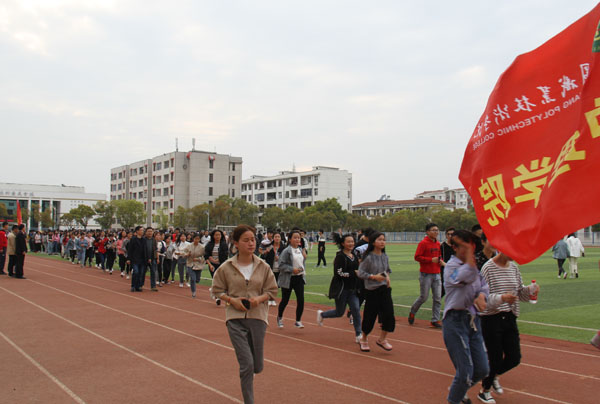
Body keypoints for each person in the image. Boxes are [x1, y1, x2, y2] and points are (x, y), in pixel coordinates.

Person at [211, 225, 278, 404]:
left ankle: (254, 368)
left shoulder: (263, 266)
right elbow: (216, 290)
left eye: (253, 240)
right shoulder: (226, 267)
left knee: (257, 366)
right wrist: (231, 300)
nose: (251, 243)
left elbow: (272, 291)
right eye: (246, 240)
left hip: (258, 318)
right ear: (236, 243)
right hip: (235, 320)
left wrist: (258, 299)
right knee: (246, 365)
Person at [477, 252, 539, 404]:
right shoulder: (488, 268)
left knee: (514, 358)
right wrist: (502, 298)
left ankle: (493, 376)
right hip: (492, 318)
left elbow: (519, 293)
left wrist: (530, 290)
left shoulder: (513, 268)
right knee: (495, 357)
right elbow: (481, 297)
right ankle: (485, 391)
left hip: (510, 317)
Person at [442, 230, 490, 404]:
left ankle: (459, 390)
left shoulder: (474, 267)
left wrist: (482, 295)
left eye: (471, 246)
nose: (469, 250)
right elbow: (464, 277)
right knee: (465, 373)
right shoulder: (451, 267)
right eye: (464, 247)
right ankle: (455, 398)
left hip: (473, 321)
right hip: (455, 321)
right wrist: (470, 258)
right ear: (455, 248)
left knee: (483, 369)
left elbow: (483, 285)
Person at [317, 233, 362, 343]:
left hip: (353, 290)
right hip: (342, 290)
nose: (351, 243)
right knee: (339, 312)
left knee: (356, 310)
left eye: (352, 241)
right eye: (348, 242)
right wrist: (354, 273)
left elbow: (358, 270)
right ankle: (322, 314)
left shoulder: (354, 256)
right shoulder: (340, 257)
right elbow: (339, 273)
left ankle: (358, 334)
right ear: (343, 243)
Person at [356, 232, 394, 352]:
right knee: (370, 316)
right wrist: (373, 277)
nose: (382, 242)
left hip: (384, 289)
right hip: (372, 291)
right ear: (373, 242)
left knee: (389, 315)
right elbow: (361, 273)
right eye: (379, 239)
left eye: (384, 240)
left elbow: (387, 270)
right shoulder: (368, 257)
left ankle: (382, 339)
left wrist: (387, 277)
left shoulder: (385, 256)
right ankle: (364, 339)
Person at [409, 223, 443, 328]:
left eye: (437, 230)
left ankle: (435, 320)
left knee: (437, 298)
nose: (436, 232)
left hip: (437, 274)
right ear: (427, 232)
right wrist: (430, 260)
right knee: (423, 297)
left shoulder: (438, 244)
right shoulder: (423, 243)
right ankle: (413, 311)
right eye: (433, 230)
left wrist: (440, 261)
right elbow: (417, 257)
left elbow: (439, 256)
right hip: (425, 274)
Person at [276, 230, 307, 329]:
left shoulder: (300, 249)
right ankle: (279, 317)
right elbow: (281, 265)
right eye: (295, 237)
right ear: (290, 239)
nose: (297, 239)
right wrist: (292, 269)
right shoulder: (286, 251)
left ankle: (298, 320)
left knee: (301, 300)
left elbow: (301, 262)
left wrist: (302, 270)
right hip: (288, 279)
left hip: (299, 278)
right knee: (285, 300)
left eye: (299, 238)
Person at [205, 229, 229, 304]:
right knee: (215, 280)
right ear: (213, 236)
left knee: (221, 281)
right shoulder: (209, 245)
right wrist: (210, 262)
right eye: (216, 235)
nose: (218, 236)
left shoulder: (224, 245)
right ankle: (217, 296)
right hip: (212, 265)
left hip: (221, 265)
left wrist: (219, 259)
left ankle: (217, 294)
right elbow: (206, 255)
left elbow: (225, 255)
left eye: (219, 235)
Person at [262, 232, 286, 306]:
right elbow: (263, 256)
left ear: (280, 238)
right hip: (270, 268)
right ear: (273, 238)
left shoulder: (283, 248)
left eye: (278, 237)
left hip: (280, 269)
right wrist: (266, 252)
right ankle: (270, 299)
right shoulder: (269, 246)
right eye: (276, 237)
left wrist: (280, 259)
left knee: (277, 285)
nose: (277, 238)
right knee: (270, 284)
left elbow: (286, 258)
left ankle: (272, 298)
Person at [127, 226, 147, 292]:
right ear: (137, 231)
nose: (142, 231)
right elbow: (130, 250)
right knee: (136, 272)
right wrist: (129, 259)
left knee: (141, 273)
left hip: (142, 259)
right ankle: (133, 285)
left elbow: (145, 249)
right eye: (141, 230)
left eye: (143, 230)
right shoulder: (133, 239)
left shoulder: (144, 240)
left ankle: (138, 286)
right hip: (135, 259)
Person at [185, 233, 205, 298]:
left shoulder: (202, 247)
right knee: (193, 279)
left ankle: (197, 279)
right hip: (190, 264)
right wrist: (187, 254)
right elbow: (184, 252)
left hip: (198, 265)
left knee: (197, 279)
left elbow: (204, 256)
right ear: (193, 239)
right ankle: (193, 292)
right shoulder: (189, 246)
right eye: (195, 238)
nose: (196, 240)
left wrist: (198, 259)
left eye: (198, 239)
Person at [440, 227, 455, 297]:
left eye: (452, 234)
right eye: (448, 234)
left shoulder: (458, 246)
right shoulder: (442, 246)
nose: (450, 236)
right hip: (445, 270)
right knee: (441, 291)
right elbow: (439, 258)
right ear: (446, 235)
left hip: (456, 271)